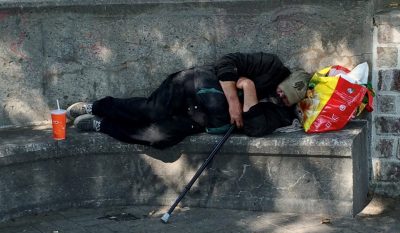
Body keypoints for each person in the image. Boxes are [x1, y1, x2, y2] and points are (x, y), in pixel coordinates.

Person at [67, 52, 310, 149]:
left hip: (200, 119)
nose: (279, 97)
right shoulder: (270, 65)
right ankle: (96, 106)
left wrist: (248, 88)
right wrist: (234, 102)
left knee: (159, 138)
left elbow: (255, 127)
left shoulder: (282, 115)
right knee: (152, 111)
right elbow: (227, 63)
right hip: (192, 86)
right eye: (281, 91)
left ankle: (102, 125)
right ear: (285, 78)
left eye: (285, 100)